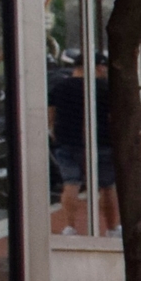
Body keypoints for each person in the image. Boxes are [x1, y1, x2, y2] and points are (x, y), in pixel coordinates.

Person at [49, 54, 116, 235]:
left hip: (67, 143)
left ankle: (69, 227)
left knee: (71, 184)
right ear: (98, 67)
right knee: (107, 186)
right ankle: (112, 227)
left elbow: (51, 116)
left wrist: (56, 135)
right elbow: (113, 118)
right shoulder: (105, 88)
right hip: (101, 143)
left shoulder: (60, 87)